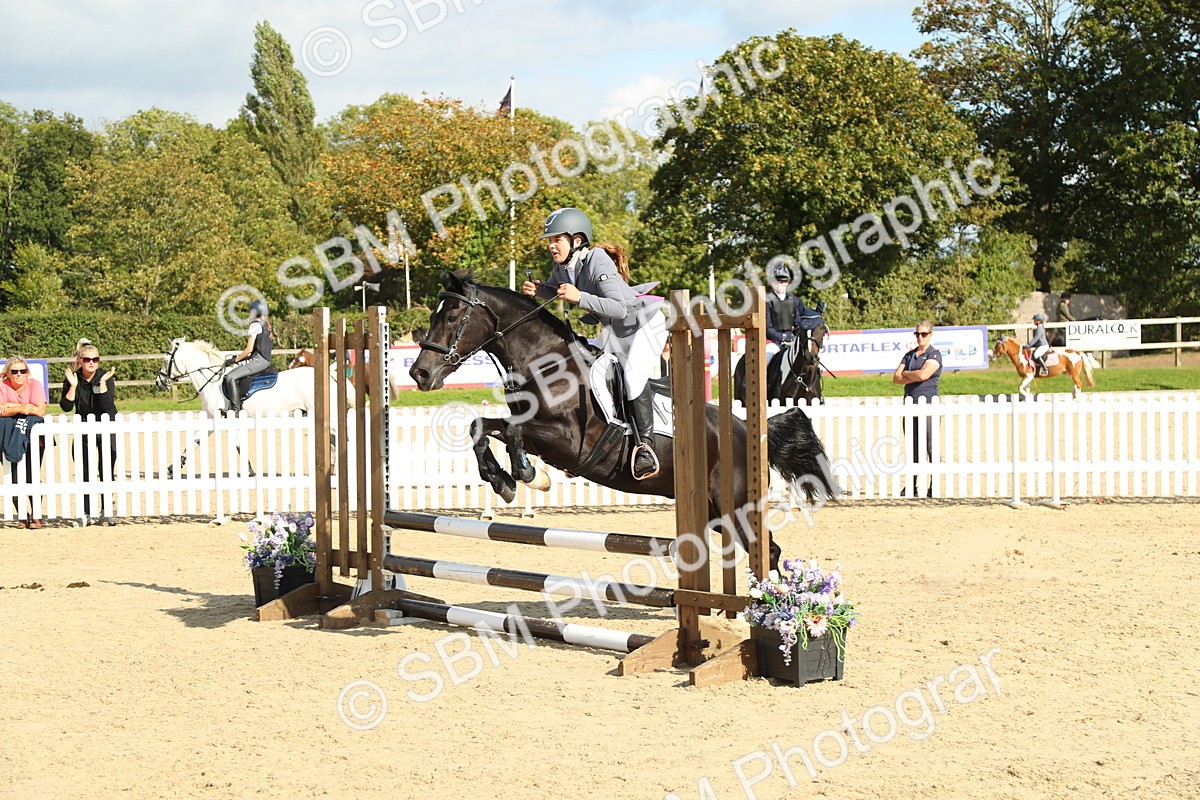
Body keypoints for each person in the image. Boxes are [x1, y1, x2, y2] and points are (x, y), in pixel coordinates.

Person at [522, 207, 667, 481]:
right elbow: (557, 290)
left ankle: (645, 448)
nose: (551, 245)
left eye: (557, 240)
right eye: (550, 240)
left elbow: (619, 308)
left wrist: (579, 297)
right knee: (588, 371)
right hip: (616, 330)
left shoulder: (597, 259)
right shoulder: (562, 267)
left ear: (577, 240)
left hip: (644, 325)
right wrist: (539, 290)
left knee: (632, 376)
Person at [60, 343, 119, 526]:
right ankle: (85, 512)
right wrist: (73, 386)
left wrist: (102, 384)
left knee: (106, 470)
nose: (91, 362)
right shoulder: (73, 377)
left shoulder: (105, 376)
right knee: (84, 470)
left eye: (95, 359)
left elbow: (107, 406)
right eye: (87, 359)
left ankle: (106, 512)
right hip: (83, 427)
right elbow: (66, 407)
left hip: (106, 426)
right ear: (80, 360)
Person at [892, 322, 941, 498]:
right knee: (913, 447)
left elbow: (923, 375)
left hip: (928, 405)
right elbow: (896, 378)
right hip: (910, 404)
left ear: (930, 335)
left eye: (924, 334)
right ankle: (911, 485)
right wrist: (914, 375)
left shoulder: (934, 354)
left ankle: (934, 485)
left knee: (930, 446)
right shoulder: (909, 355)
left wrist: (907, 374)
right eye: (917, 334)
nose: (920, 337)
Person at [1, 356, 48, 527]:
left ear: (27, 372)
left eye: (23, 370)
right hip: (6, 435)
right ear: (7, 373)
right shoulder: (2, 386)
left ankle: (36, 515)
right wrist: (22, 407)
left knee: (31, 475)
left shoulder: (34, 385)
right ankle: (22, 515)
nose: (19, 374)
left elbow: (40, 410)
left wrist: (9, 407)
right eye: (14, 371)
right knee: (12, 476)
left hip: (33, 437)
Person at [223, 300, 275, 413]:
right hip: (264, 360)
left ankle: (235, 410)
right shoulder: (266, 325)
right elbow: (258, 348)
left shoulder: (255, 325)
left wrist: (235, 360)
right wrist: (245, 357)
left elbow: (249, 349)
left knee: (230, 377)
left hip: (258, 361)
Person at [764, 263, 810, 358]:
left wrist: (794, 335)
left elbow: (798, 323)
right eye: (777, 281)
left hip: (791, 339)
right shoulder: (767, 301)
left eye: (783, 281)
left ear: (787, 282)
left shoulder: (794, 300)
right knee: (767, 357)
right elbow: (767, 327)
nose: (780, 284)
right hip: (774, 342)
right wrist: (781, 337)